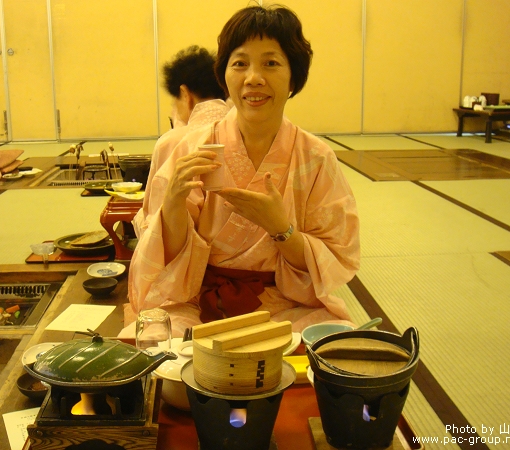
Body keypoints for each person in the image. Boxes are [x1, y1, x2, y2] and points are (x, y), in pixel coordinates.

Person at [121, 5, 360, 338]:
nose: (254, 78)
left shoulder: (316, 158)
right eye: (240, 63)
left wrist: (281, 228)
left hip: (281, 305)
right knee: (160, 354)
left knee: (334, 346)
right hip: (194, 302)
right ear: (225, 75)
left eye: (271, 63)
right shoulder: (191, 147)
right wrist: (173, 203)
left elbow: (335, 257)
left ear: (294, 76)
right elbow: (165, 260)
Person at [132, 45, 232, 239]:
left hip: (189, 256)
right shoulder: (243, 132)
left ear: (185, 95)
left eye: (174, 102)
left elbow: (155, 220)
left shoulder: (174, 141)